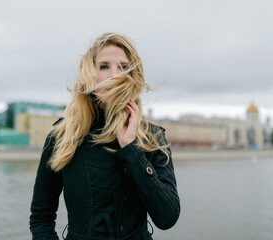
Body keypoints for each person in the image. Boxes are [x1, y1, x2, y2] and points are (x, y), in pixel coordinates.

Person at [29, 32, 180, 240]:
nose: (114, 75)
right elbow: (41, 217)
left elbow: (167, 218)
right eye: (104, 66)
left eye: (124, 67)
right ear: (90, 74)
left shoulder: (152, 137)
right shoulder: (62, 136)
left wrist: (131, 149)